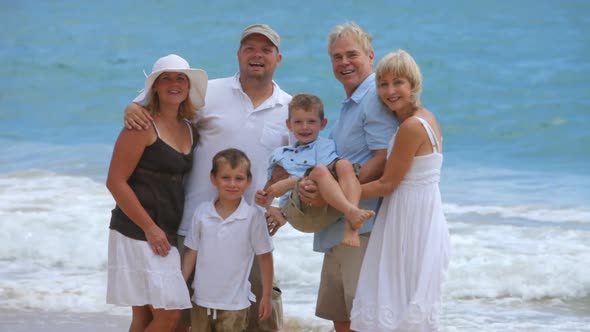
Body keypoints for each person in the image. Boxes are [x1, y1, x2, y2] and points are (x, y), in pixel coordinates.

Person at [123, 24, 289, 332]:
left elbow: (302, 167)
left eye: (265, 50)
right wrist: (133, 107)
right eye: (250, 48)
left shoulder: (290, 109)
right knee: (178, 319)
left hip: (249, 232)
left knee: (261, 321)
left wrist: (285, 209)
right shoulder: (209, 92)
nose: (257, 55)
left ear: (278, 58)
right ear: (238, 55)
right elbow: (156, 104)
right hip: (190, 225)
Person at [264, 22, 398, 332]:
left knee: (363, 319)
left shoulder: (373, 99)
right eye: (336, 57)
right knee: (342, 317)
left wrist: (334, 195)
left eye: (352, 55)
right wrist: (289, 210)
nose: (344, 63)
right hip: (335, 229)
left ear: (370, 56)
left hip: (362, 229)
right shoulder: (350, 106)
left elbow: (382, 158)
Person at [350, 50, 451, 331]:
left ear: (413, 84)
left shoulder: (411, 127)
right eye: (383, 84)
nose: (390, 91)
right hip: (424, 214)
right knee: (405, 299)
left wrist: (338, 196)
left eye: (398, 83)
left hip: (410, 220)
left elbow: (387, 184)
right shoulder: (427, 117)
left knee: (395, 298)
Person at [106, 54, 207, 332]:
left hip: (167, 230)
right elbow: (115, 182)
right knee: (171, 315)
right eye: (166, 78)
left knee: (144, 318)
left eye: (180, 78)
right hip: (137, 230)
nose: (174, 84)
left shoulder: (190, 129)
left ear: (188, 86)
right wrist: (149, 228)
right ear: (155, 87)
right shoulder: (141, 125)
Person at [255, 93, 375, 247]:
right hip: (296, 211)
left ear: (323, 123)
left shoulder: (326, 146)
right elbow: (270, 190)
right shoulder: (280, 154)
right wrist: (264, 201)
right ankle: (351, 212)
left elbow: (325, 178)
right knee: (319, 170)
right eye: (298, 122)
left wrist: (289, 183)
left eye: (311, 121)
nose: (305, 127)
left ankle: (350, 227)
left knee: (344, 165)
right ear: (289, 124)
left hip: (323, 207)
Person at [181, 148, 274, 332]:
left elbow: (265, 257)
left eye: (239, 178)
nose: (232, 184)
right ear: (213, 178)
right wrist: (179, 286)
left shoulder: (253, 216)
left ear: (248, 181)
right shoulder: (202, 212)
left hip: (235, 304)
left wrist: (267, 296)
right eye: (225, 177)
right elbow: (191, 252)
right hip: (201, 300)